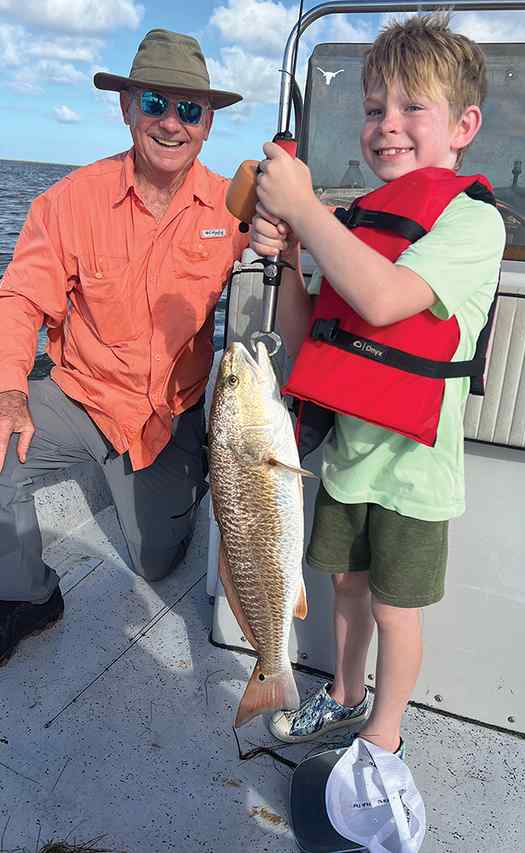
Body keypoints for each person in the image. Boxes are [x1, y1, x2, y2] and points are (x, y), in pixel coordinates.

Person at [250, 13, 505, 755]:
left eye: (410, 107)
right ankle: (343, 694)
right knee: (347, 590)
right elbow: (306, 337)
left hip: (414, 475)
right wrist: (297, 250)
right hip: (349, 458)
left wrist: (303, 209)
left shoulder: (471, 221)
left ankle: (383, 737)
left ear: (464, 125)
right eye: (372, 110)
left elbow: (388, 298)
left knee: (395, 610)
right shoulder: (355, 221)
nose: (386, 125)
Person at [0, 29, 248, 666]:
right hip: (83, 398)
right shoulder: (68, 200)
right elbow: (20, 298)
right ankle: (27, 595)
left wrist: (291, 226)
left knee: (155, 565)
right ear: (126, 107)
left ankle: (185, 486)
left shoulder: (233, 206)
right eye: (154, 104)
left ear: (209, 122)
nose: (171, 123)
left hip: (168, 420)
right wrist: (8, 391)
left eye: (189, 110)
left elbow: (296, 260)